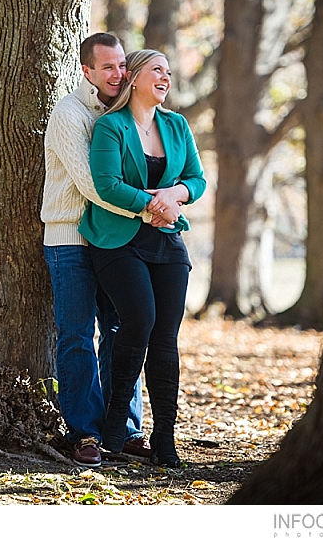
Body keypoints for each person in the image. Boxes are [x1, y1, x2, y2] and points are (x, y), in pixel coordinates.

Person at [41, 33, 171, 467]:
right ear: (87, 71)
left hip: (116, 240)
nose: (119, 74)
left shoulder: (122, 114)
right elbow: (94, 185)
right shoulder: (70, 114)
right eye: (109, 67)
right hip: (72, 239)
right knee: (77, 334)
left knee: (121, 330)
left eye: (122, 66)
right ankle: (85, 432)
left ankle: (125, 428)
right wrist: (152, 208)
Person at [79, 49, 206, 467]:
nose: (165, 77)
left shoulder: (176, 125)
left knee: (166, 337)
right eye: (157, 70)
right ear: (133, 78)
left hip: (167, 241)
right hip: (118, 241)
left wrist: (173, 196)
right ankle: (116, 428)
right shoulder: (110, 127)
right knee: (139, 321)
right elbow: (107, 184)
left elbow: (196, 179)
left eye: (169, 72)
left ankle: (164, 439)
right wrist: (153, 205)